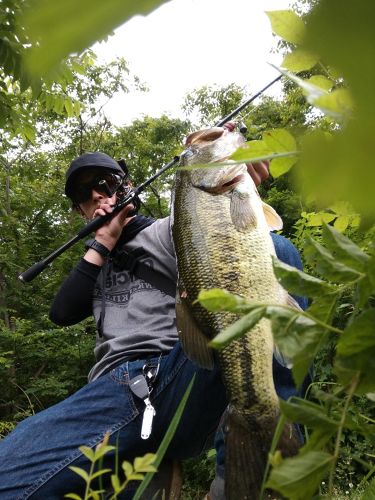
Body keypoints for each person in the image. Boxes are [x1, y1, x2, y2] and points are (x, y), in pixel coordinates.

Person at [0, 143, 307, 499]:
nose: (98, 194)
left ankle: (254, 471)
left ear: (126, 185)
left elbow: (220, 224)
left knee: (279, 254)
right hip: (111, 394)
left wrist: (230, 166)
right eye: (85, 194)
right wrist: (104, 241)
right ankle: (144, 469)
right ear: (81, 211)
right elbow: (62, 312)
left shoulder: (170, 229)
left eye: (105, 182)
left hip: (185, 370)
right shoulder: (92, 262)